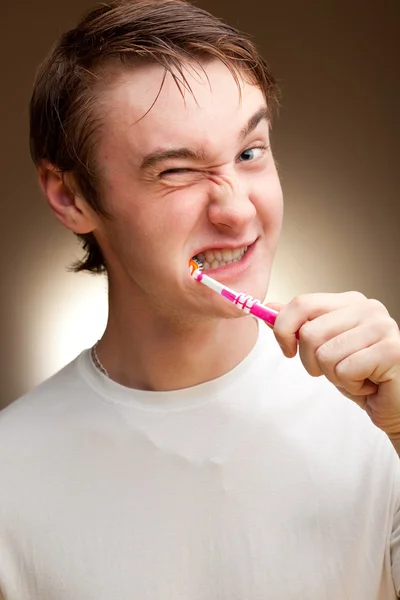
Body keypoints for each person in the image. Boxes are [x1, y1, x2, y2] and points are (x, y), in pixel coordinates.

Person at [1, 0, 400, 598]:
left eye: (249, 153)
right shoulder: (9, 475)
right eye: (178, 171)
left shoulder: (378, 428)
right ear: (71, 196)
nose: (238, 209)